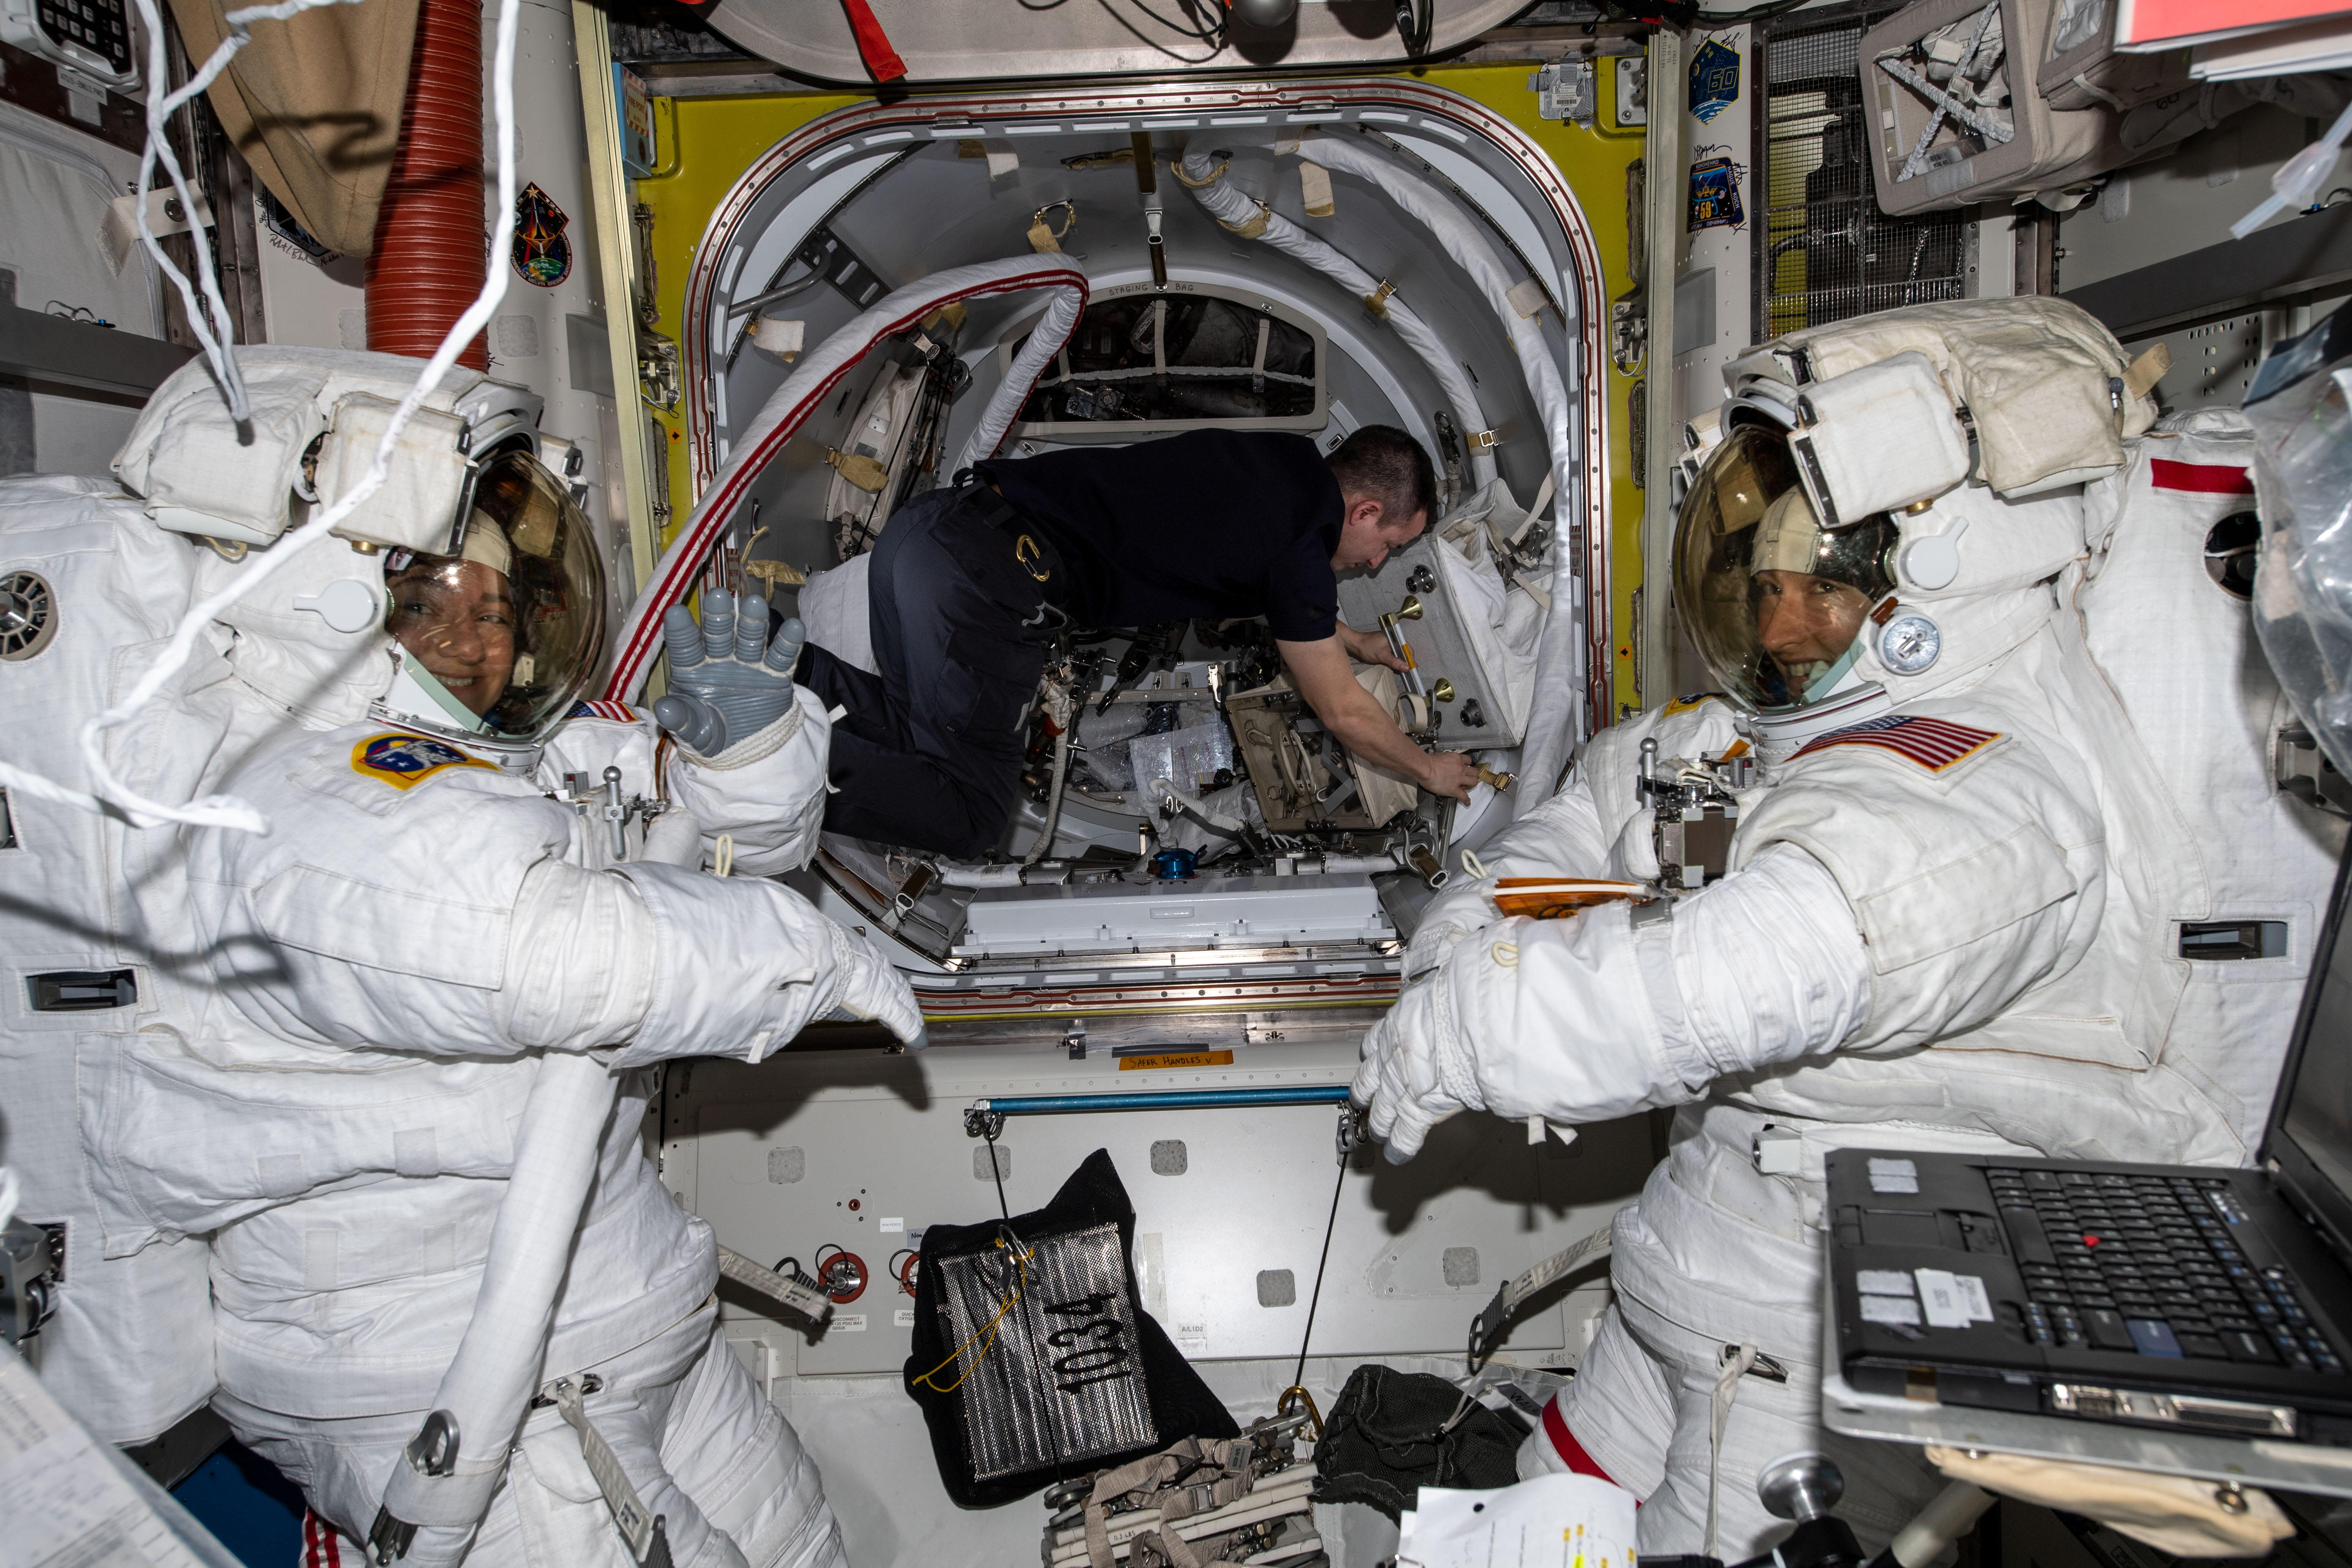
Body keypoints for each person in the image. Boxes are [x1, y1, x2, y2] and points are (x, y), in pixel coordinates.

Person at [1350, 298, 2345, 1558]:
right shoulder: (1816, 728)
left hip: (1798, 1316)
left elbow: (1770, 961)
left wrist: (1470, 1033)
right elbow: (1614, 791)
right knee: (1538, 1518)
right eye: (1763, 590)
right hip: (1703, 1256)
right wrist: (1469, 929)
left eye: (1812, 598)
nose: (1773, 632)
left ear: (1937, 573)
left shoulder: (1988, 779)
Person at [1, 348, 917, 1568]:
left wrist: (745, 761)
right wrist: (832, 969)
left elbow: (681, 848)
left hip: (602, 1317)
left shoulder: (461, 762)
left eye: (498, 610)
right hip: (452, 1374)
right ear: (330, 603)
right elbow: (560, 952)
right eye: (439, 608)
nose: (480, 645)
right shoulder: (302, 813)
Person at [795, 425, 1484, 857]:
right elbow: (1344, 714)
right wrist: (1430, 772)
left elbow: (1276, 593)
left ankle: (770, 666)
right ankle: (759, 774)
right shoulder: (1301, 550)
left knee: (908, 733)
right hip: (980, 584)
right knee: (971, 816)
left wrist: (1351, 642)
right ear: (1363, 511)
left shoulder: (1283, 465)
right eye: (1385, 546)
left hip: (930, 534)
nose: (1373, 564)